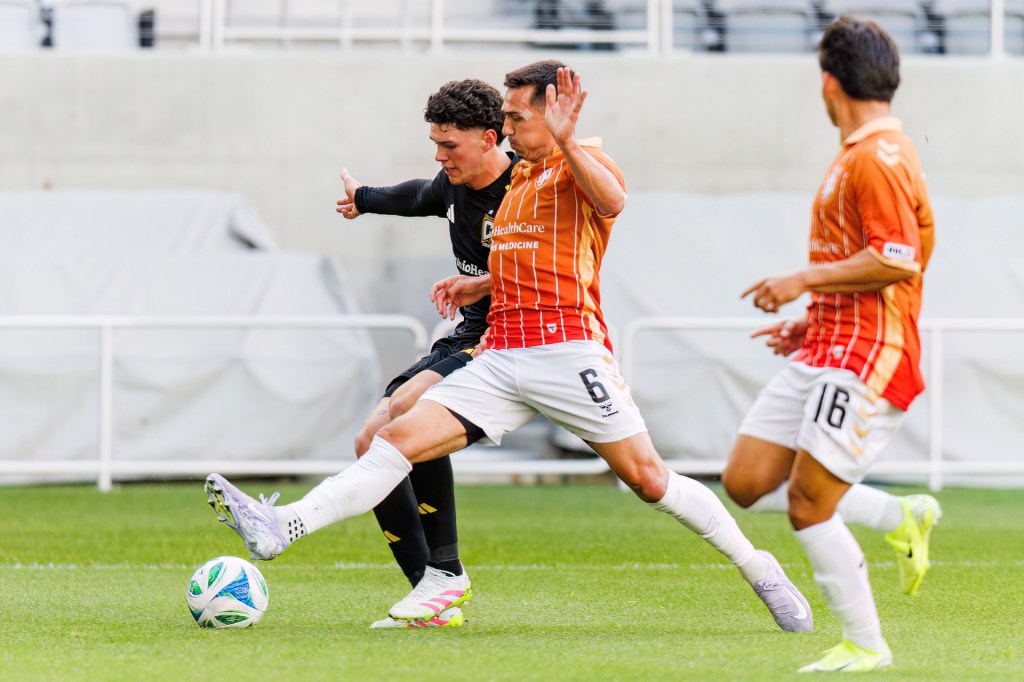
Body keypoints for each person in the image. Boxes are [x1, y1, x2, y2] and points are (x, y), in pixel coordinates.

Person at [205, 60, 813, 634]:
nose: (509, 128)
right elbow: (518, 248)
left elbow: (613, 201)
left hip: (568, 352)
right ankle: (286, 525)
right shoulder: (516, 178)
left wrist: (569, 142)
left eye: (519, 118)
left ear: (553, 117)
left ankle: (757, 566)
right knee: (394, 438)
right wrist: (480, 282)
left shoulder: (581, 163)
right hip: (499, 354)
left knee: (650, 481)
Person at [719, 17, 936, 673]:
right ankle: (898, 514)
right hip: (829, 343)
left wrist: (803, 280)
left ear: (828, 82)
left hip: (870, 352)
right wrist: (814, 319)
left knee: (809, 502)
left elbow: (897, 258)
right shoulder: (861, 153)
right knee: (746, 480)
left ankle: (866, 644)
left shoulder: (877, 156)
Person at [335, 78, 514, 629]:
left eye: (449, 145)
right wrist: (364, 199)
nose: (440, 157)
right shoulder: (453, 185)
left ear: (489, 139)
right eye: (435, 144)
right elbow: (417, 195)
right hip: (466, 336)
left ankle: (445, 573)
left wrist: (483, 283)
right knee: (369, 441)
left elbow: (550, 262)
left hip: (509, 339)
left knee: (407, 410)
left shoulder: (525, 191)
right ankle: (429, 597)